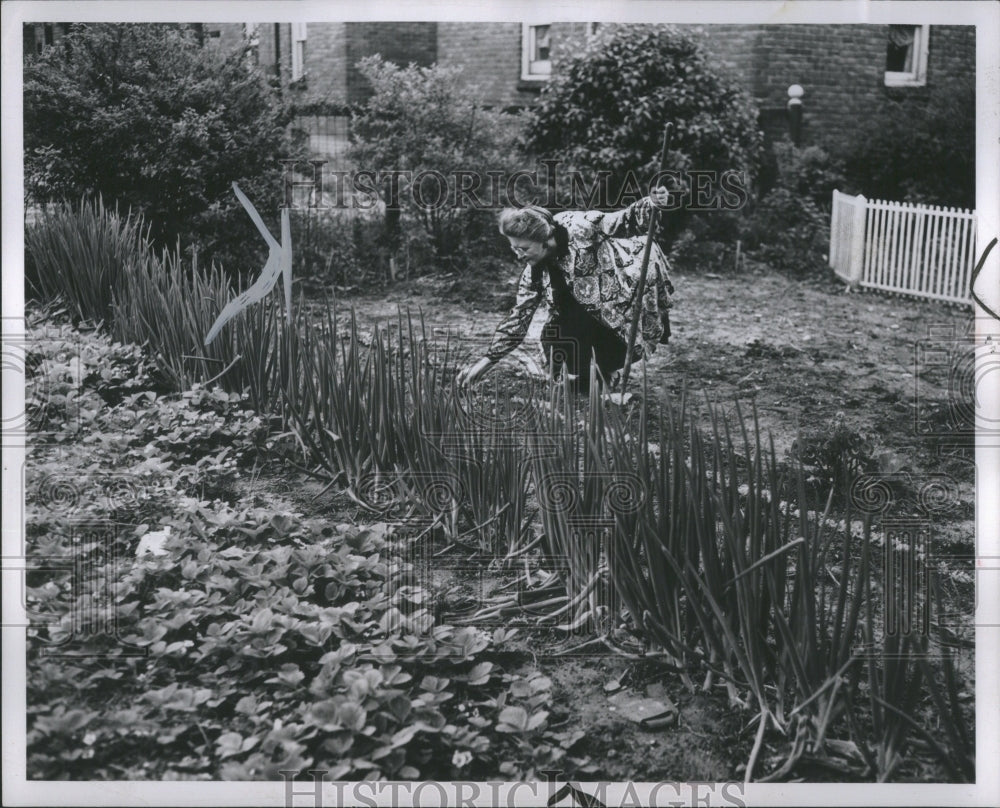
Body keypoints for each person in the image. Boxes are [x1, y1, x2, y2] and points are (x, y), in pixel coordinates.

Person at [457, 187, 675, 392]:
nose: (519, 255)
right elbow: (519, 318)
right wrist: (486, 362)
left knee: (617, 338)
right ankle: (590, 374)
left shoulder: (580, 227)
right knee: (554, 341)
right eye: (514, 248)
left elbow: (623, 220)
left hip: (622, 284)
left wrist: (651, 203)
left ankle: (608, 369)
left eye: (524, 249)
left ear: (544, 240)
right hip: (584, 305)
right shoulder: (533, 272)